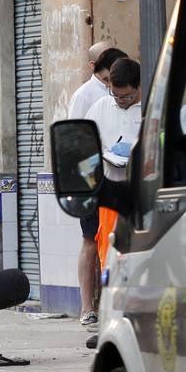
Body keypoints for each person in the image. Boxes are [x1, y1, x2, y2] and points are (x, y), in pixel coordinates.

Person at [67, 43, 128, 328]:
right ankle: (87, 307)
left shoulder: (122, 96)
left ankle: (111, 306)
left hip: (122, 178)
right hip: (93, 178)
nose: (109, 85)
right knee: (91, 240)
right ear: (98, 69)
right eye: (106, 79)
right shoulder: (86, 96)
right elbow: (75, 139)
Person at [85, 56, 143, 285]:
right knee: (109, 254)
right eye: (115, 95)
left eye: (126, 96)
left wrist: (137, 152)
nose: (120, 100)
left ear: (138, 87)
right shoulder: (100, 108)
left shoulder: (151, 107)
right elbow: (85, 147)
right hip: (110, 194)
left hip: (142, 194)